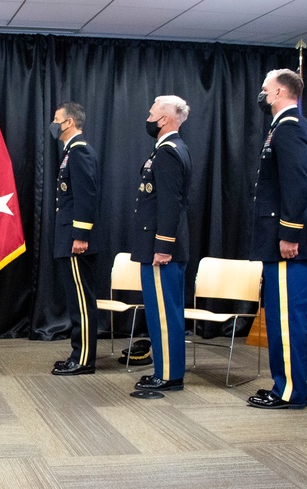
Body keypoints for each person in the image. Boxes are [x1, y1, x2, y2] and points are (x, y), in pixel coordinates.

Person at [246, 69, 307, 409]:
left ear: (280, 92)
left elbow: (297, 184)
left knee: (287, 320)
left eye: (265, 89)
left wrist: (290, 234)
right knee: (278, 317)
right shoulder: (282, 128)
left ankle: (290, 391)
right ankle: (283, 384)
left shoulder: (289, 129)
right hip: (279, 241)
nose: (262, 95)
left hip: (288, 243)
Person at [131, 96, 192, 394]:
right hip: (161, 245)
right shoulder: (170, 148)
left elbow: (170, 203)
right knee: (163, 311)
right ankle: (166, 370)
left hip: (162, 248)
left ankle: (168, 374)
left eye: (152, 112)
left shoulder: (168, 152)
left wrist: (163, 246)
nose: (148, 117)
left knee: (164, 314)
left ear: (165, 118)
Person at [50, 102, 102, 376]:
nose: (53, 124)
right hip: (69, 236)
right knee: (76, 299)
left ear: (69, 122)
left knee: (82, 300)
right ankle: (77, 353)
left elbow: (86, 197)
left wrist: (81, 235)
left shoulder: (79, 152)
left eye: (56, 119)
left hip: (76, 240)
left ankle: (83, 359)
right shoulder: (71, 152)